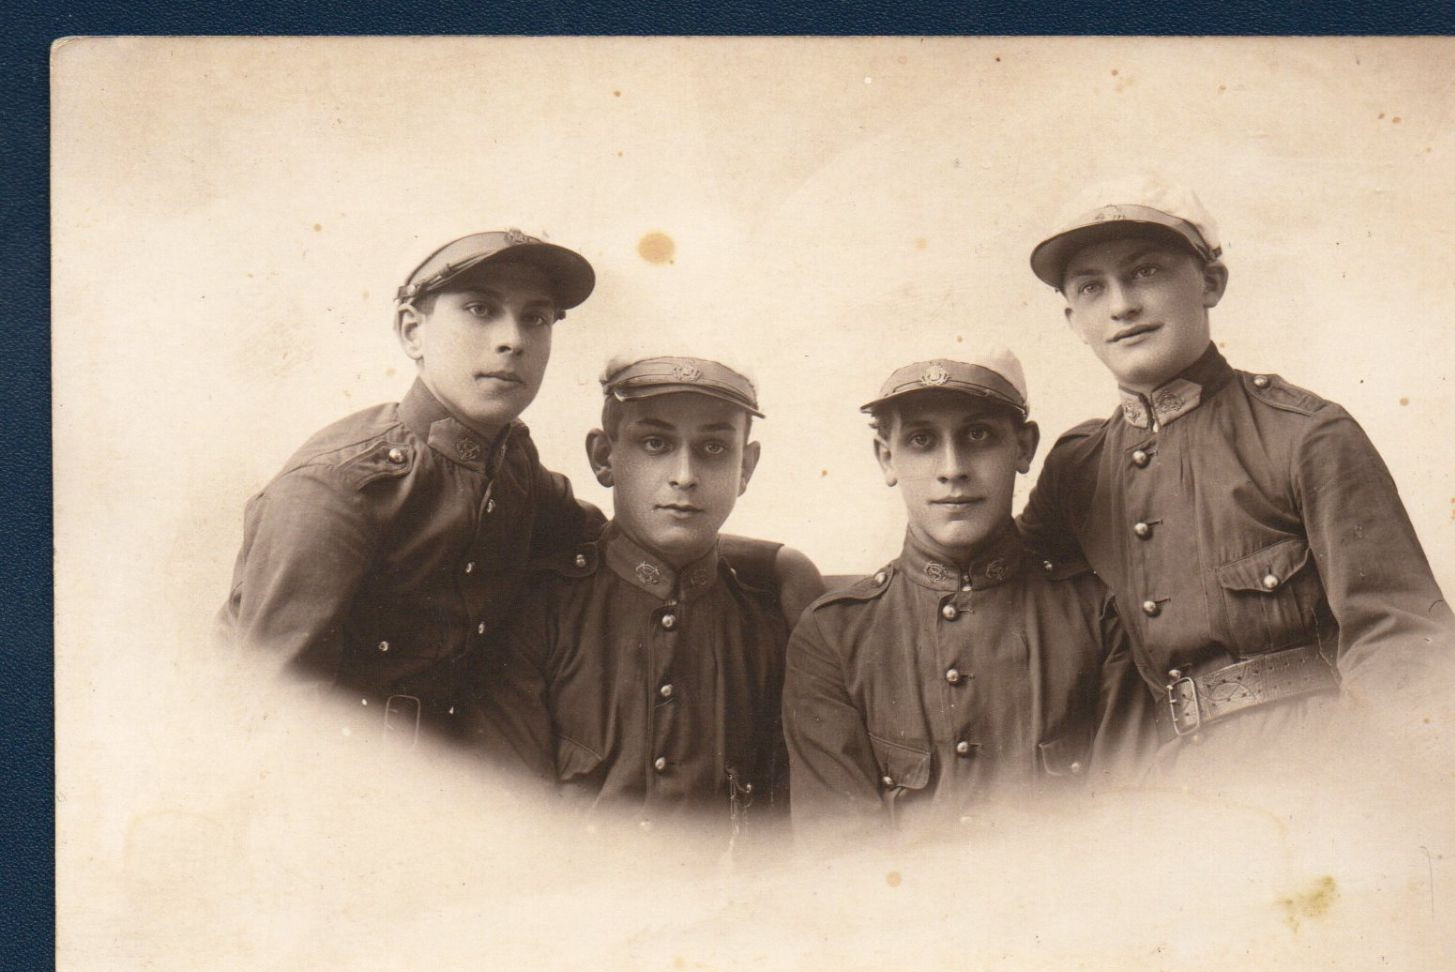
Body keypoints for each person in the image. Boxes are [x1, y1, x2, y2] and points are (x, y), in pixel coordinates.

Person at [1019, 176, 1455, 769]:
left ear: (1210, 282)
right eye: (1092, 287)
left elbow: (1403, 640)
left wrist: (1371, 800)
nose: (1122, 305)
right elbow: (1008, 599)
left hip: (1312, 767)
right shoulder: (1077, 467)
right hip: (1160, 788)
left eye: (1146, 272)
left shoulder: (1304, 433)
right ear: (1074, 320)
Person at [219, 228, 604, 746]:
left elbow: (609, 549)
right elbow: (271, 718)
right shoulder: (339, 488)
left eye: (535, 318)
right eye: (480, 309)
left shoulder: (512, 464)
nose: (513, 339)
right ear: (411, 332)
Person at [782, 349, 1150, 840]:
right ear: (886, 457)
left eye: (978, 436)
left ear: (1023, 448)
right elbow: (841, 858)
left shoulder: (1096, 614)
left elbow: (1129, 827)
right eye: (921, 440)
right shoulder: (834, 635)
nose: (952, 468)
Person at [472, 354, 823, 835]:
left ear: (747, 466)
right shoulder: (539, 608)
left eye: (714, 448)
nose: (685, 475)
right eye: (655, 443)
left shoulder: (771, 608)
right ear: (604, 457)